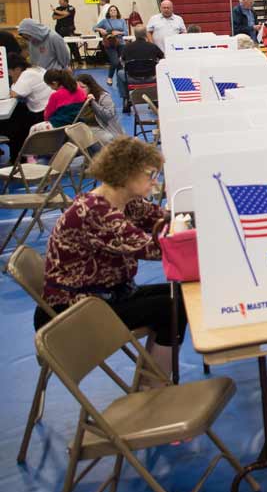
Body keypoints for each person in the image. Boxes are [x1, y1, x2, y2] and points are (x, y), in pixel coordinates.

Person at [35, 137, 186, 380]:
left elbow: (163, 217)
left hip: (104, 295)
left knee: (178, 297)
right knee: (172, 306)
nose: (154, 181)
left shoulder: (124, 201)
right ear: (127, 174)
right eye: (150, 174)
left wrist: (187, 217)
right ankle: (153, 387)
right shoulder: (96, 211)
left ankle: (152, 379)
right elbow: (155, 249)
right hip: (73, 311)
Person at [4, 52, 51, 152]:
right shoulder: (36, 69)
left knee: (14, 126)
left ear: (17, 69)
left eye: (9, 72)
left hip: (42, 113)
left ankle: (20, 154)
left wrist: (14, 80)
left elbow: (13, 94)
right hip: (49, 109)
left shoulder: (27, 75)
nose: (9, 75)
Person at [117, 27, 163, 108]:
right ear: (145, 34)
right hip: (151, 78)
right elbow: (162, 59)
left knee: (120, 73)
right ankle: (157, 97)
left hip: (132, 78)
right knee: (161, 72)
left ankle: (125, 98)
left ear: (135, 35)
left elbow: (121, 61)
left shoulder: (127, 47)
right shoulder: (152, 46)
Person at [76, 74, 124, 143]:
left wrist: (93, 103)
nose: (80, 90)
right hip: (85, 128)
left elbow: (108, 116)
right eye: (78, 88)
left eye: (83, 87)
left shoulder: (103, 96)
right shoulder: (76, 99)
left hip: (104, 128)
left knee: (107, 139)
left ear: (90, 87)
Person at [93, 4, 127, 85]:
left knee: (120, 63)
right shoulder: (105, 21)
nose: (113, 12)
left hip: (121, 43)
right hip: (109, 44)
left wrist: (118, 32)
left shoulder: (122, 20)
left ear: (117, 12)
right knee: (115, 61)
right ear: (108, 12)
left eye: (114, 10)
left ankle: (120, 80)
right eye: (111, 10)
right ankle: (110, 77)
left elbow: (126, 32)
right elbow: (94, 28)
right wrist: (100, 29)